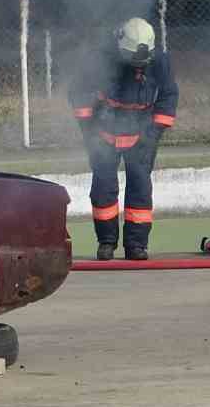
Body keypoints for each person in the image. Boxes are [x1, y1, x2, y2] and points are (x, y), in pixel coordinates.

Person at [71, 17, 179, 260]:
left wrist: (153, 132)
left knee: (140, 188)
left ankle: (136, 246)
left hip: (142, 131)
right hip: (104, 131)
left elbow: (169, 95)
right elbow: (79, 91)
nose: (138, 67)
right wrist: (88, 129)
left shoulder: (160, 61)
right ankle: (107, 242)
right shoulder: (100, 59)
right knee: (103, 189)